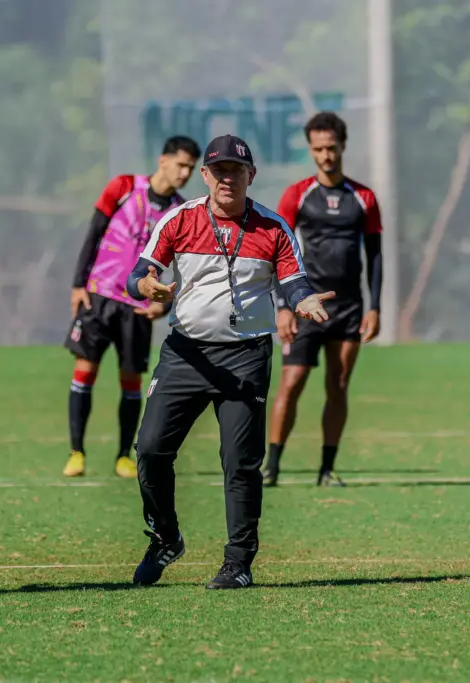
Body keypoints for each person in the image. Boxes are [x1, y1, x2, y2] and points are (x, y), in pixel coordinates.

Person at [124, 134, 334, 589]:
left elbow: (294, 281)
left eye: (235, 171)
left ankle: (238, 562)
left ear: (250, 176)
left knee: (240, 463)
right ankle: (165, 537)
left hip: (245, 358)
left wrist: (302, 300)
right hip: (186, 354)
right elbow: (137, 274)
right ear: (205, 176)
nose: (226, 178)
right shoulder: (179, 220)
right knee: (150, 449)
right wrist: (147, 287)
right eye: (217, 170)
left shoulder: (274, 227)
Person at [63, 136, 201, 479]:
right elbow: (93, 233)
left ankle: (123, 456)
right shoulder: (124, 186)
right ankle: (76, 452)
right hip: (99, 297)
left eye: (190, 167)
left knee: (131, 381)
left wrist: (165, 308)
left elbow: (185, 267)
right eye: (180, 164)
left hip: (137, 306)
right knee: (85, 371)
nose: (185, 172)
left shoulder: (181, 212)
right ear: (163, 159)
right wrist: (79, 283)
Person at [264, 112, 384, 488]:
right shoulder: (297, 194)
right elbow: (277, 250)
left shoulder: (364, 197)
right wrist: (283, 305)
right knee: (292, 381)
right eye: (318, 149)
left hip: (349, 308)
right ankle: (271, 467)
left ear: (343, 146)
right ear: (311, 150)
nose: (326, 156)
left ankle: (327, 470)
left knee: (339, 383)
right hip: (304, 304)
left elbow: (375, 256)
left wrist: (375, 305)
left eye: (331, 148)